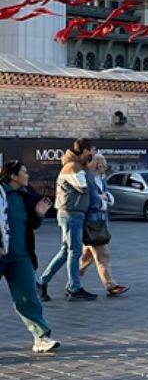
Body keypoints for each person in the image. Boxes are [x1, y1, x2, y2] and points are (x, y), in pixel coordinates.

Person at [1, 161, 59, 352]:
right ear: (13, 176)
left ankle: (41, 337)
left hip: (20, 255)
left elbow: (32, 225)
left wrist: (39, 214)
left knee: (28, 296)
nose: (27, 175)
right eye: (24, 172)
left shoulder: (26, 195)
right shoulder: (1, 194)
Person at [37, 139, 97, 302]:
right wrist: (89, 169)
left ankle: (42, 282)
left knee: (66, 251)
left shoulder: (77, 166)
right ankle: (73, 288)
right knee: (74, 251)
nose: (94, 154)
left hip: (73, 214)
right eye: (93, 150)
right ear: (85, 150)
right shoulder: (73, 167)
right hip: (71, 214)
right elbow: (84, 187)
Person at [78, 154, 128, 297]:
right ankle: (110, 285)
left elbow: (105, 194)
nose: (105, 167)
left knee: (87, 258)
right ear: (97, 164)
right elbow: (89, 199)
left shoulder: (101, 179)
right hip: (92, 222)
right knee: (103, 255)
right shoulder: (88, 178)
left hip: (100, 221)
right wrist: (101, 200)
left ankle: (73, 282)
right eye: (103, 163)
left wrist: (106, 198)